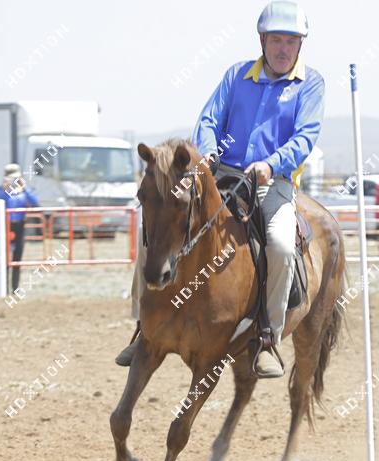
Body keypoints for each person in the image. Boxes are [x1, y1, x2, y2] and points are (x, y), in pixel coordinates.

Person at [116, 1, 324, 378]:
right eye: (276, 40)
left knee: (279, 245)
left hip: (272, 181)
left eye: (291, 41)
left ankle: (267, 335)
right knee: (159, 226)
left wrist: (270, 164)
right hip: (220, 173)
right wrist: (209, 151)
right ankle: (143, 327)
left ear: (300, 44)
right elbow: (210, 118)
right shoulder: (237, 75)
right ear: (262, 41)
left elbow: (305, 137)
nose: (283, 48)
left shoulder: (310, 84)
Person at [0, 164, 39, 292]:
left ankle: (15, 287)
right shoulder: (0, 191)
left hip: (19, 227)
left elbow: (35, 203)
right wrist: (5, 189)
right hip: (4, 227)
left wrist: (25, 189)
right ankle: (4, 288)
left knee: (17, 258)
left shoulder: (23, 191)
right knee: (4, 258)